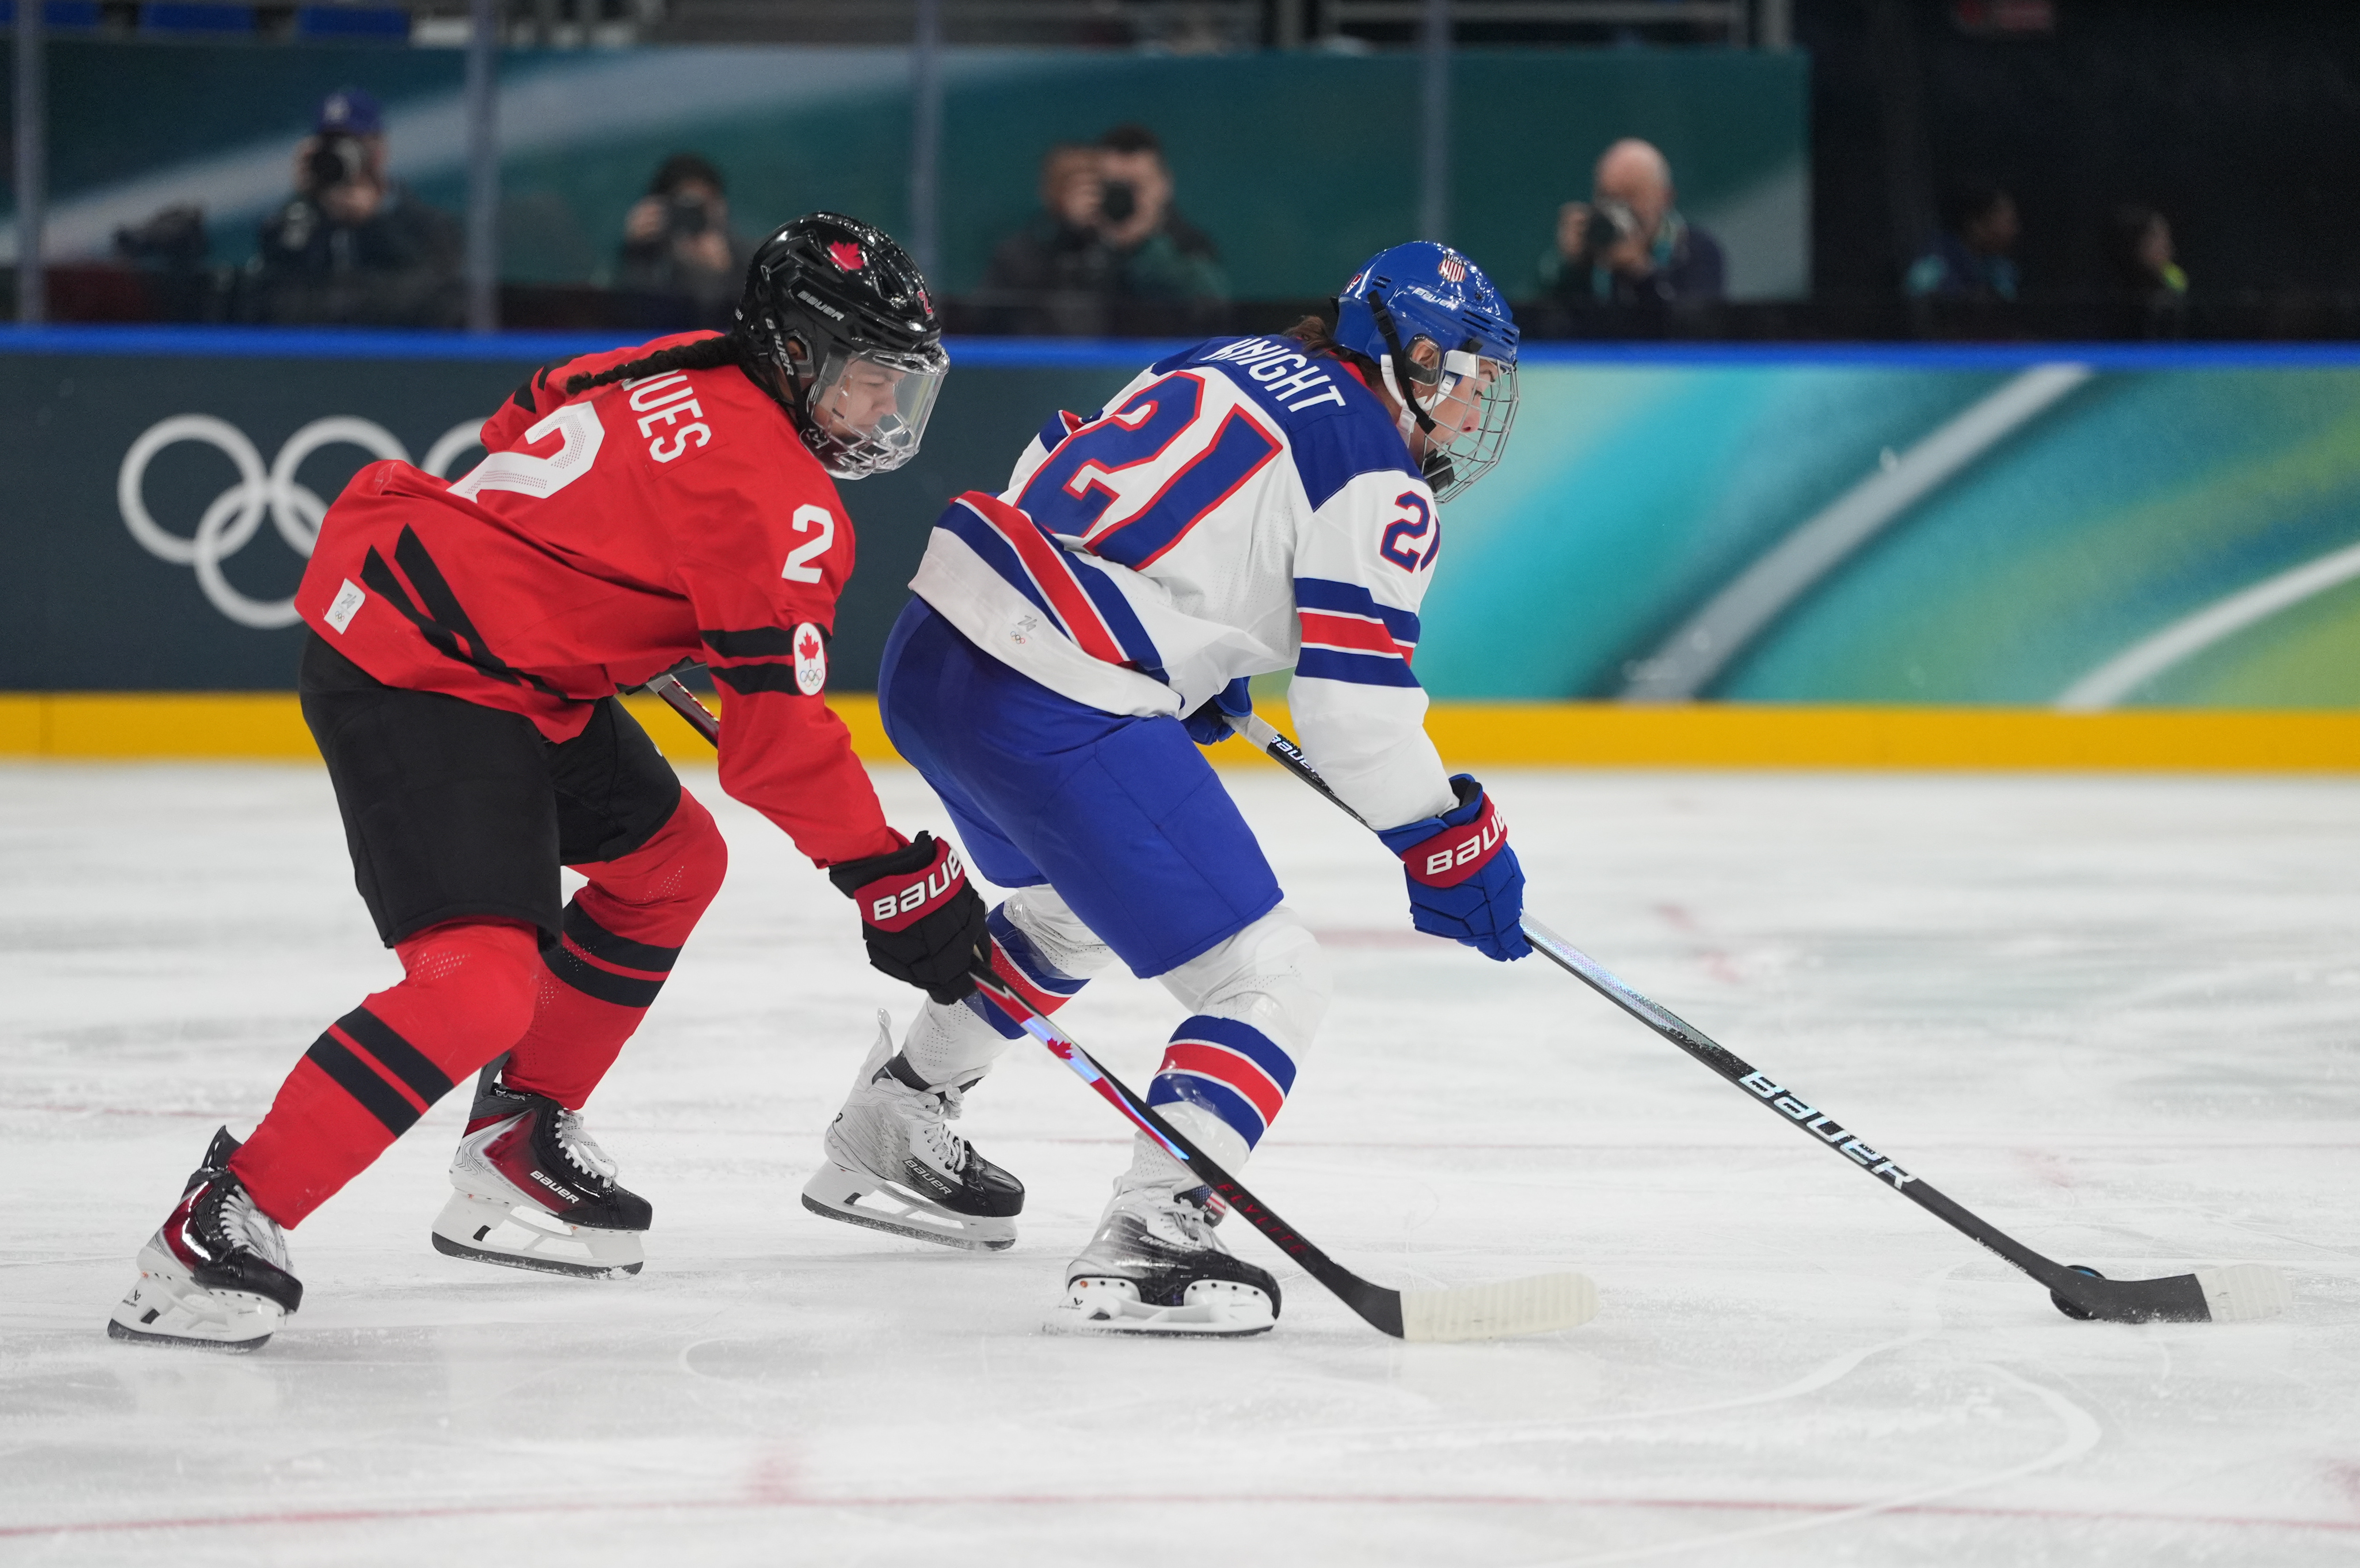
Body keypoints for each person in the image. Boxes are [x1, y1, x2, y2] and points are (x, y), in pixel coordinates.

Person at [108, 214, 986, 1353]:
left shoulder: (673, 358)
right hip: (420, 666)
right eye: (868, 381)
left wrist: (617, 584)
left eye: (898, 387)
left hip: (508, 655)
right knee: (476, 988)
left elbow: (524, 415)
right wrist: (887, 875)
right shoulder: (779, 501)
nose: (882, 413)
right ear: (795, 353)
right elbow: (772, 744)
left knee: (672, 865)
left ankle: (518, 1137)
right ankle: (216, 1227)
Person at [802, 243, 1530, 1336]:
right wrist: (1447, 837)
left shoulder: (1230, 357)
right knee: (1269, 975)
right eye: (1466, 373)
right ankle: (1152, 1233)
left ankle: (895, 1117)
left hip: (934, 653)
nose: (1473, 405)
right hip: (1050, 694)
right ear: (1412, 357)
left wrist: (1184, 657)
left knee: (1068, 912)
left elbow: (1070, 475)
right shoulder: (1373, 467)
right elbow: (1351, 717)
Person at [247, 87, 464, 327]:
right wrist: (302, 199)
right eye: (331, 143)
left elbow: (431, 299)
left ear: (380, 150)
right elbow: (270, 300)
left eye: (354, 142)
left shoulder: (426, 224)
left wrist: (374, 222)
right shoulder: (297, 222)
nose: (342, 152)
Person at [978, 125, 1227, 332]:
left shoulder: (1188, 246)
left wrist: (1142, 247)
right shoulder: (1050, 246)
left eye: (1137, 187)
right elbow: (996, 318)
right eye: (1114, 188)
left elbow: (1213, 313)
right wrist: (1066, 235)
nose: (1126, 199)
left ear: (1165, 185)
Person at [1536, 138, 1725, 306]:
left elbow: (1694, 334)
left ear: (1665, 198)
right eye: (1607, 198)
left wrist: (1640, 272)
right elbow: (1537, 330)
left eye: (1630, 196)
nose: (1618, 210)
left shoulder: (1696, 251)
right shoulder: (1588, 251)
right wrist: (1570, 270)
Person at [617, 153, 747, 318]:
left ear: (721, 206)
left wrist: (726, 273)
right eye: (683, 206)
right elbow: (632, 315)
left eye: (701, 206)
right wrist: (636, 251)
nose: (691, 216)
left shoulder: (745, 259)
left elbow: (753, 321)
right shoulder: (651, 259)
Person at [1905, 178, 2022, 303]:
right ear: (1976, 224)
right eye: (2008, 222)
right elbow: (1915, 308)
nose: (2015, 230)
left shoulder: (2002, 269)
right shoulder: (1932, 269)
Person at [2108, 203, 2189, 337]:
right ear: (2136, 242)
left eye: (2166, 236)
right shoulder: (2111, 291)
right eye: (2155, 236)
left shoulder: (2175, 282)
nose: (2166, 245)